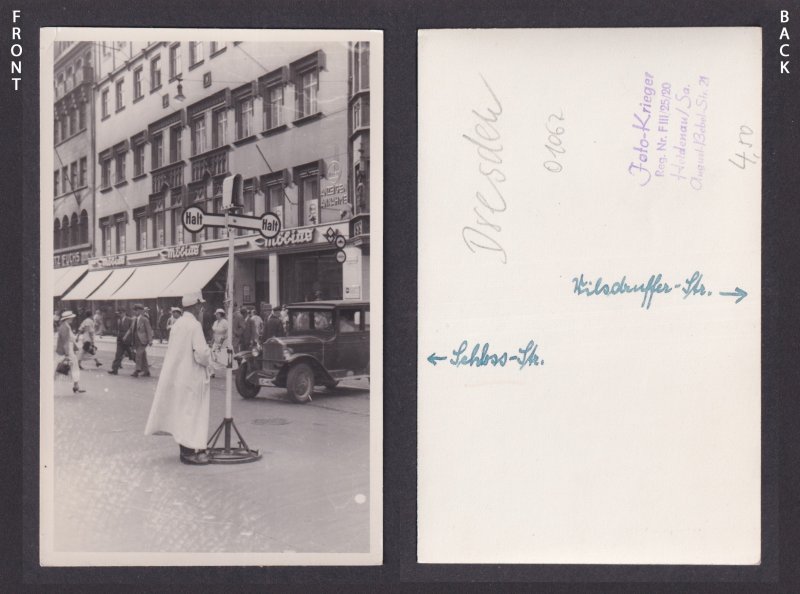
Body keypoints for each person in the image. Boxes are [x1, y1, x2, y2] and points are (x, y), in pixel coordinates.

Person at [144, 291, 212, 465]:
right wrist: (210, 356)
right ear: (196, 306)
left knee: (183, 413)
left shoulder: (177, 324)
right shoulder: (194, 325)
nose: (202, 309)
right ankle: (188, 453)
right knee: (191, 413)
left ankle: (186, 450)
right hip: (192, 376)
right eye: (201, 305)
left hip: (179, 376)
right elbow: (201, 354)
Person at [55, 310, 84, 393]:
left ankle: (76, 386)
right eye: (71, 318)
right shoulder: (65, 327)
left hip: (68, 350)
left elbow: (69, 339)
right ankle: (76, 386)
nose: (72, 319)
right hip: (67, 351)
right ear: (67, 318)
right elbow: (65, 342)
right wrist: (67, 354)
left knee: (72, 367)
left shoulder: (65, 326)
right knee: (71, 367)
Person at [125, 303, 153, 377]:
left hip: (143, 340)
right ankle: (146, 371)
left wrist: (150, 340)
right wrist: (126, 336)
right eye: (134, 310)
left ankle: (137, 370)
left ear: (140, 311)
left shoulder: (145, 319)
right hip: (136, 340)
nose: (134, 312)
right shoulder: (134, 319)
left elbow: (149, 330)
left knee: (138, 355)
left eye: (136, 310)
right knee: (143, 356)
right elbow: (131, 329)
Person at [108, 309, 133, 375]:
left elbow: (131, 330)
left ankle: (142, 367)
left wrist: (130, 339)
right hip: (120, 340)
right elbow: (118, 330)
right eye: (119, 313)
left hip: (127, 341)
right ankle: (114, 370)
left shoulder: (129, 320)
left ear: (124, 313)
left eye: (121, 313)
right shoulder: (119, 320)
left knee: (132, 355)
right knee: (118, 355)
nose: (120, 314)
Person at [209, 308, 229, 377]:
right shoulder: (215, 322)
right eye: (216, 314)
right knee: (211, 355)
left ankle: (227, 372)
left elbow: (227, 333)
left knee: (223, 358)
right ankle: (212, 372)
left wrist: (221, 342)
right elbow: (214, 333)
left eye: (217, 314)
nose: (216, 315)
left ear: (221, 314)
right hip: (216, 342)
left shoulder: (225, 322)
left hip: (223, 343)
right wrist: (212, 341)